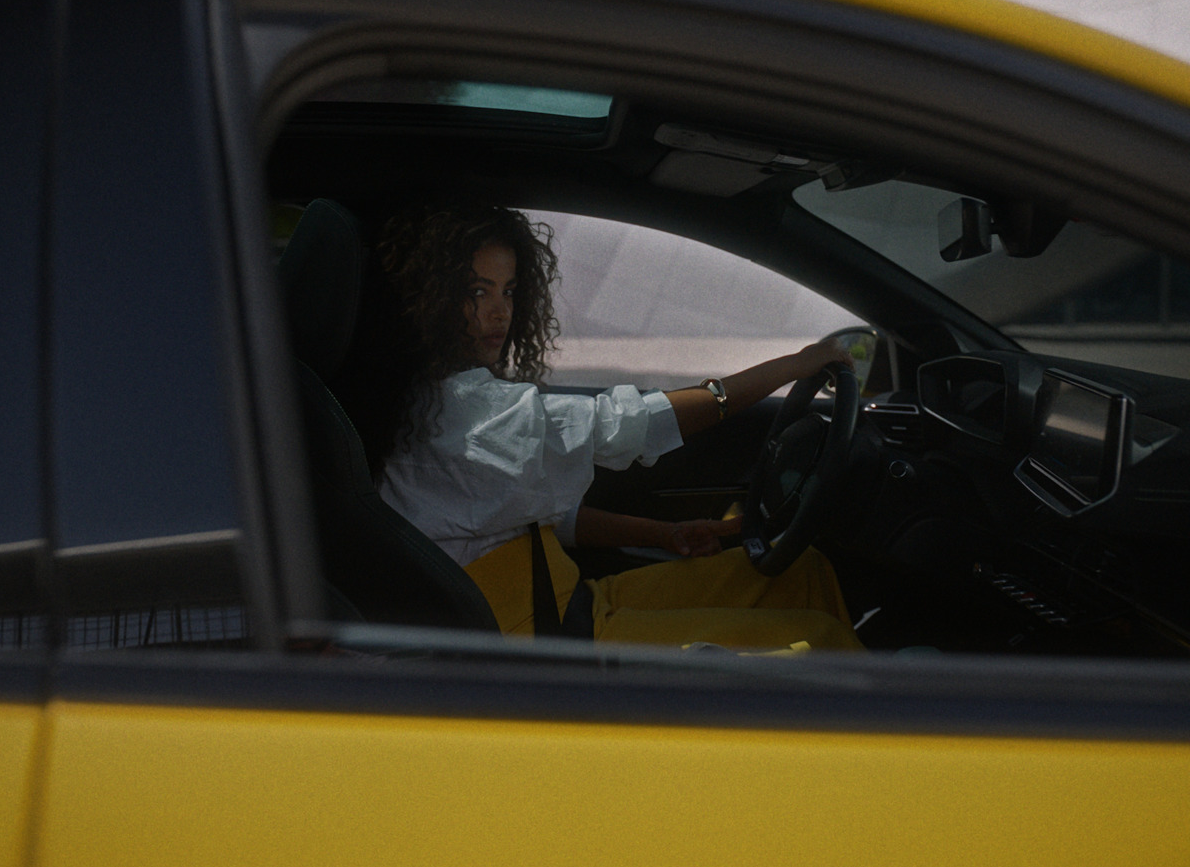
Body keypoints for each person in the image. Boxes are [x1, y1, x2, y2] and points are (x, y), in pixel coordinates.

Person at [335, 202, 862, 651]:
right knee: (818, 640)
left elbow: (537, 515)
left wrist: (663, 533)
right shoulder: (462, 415)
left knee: (804, 572)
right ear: (428, 299)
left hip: (573, 605)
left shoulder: (424, 403)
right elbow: (624, 425)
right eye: (477, 292)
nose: (498, 312)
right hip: (554, 642)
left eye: (509, 291)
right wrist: (790, 367)